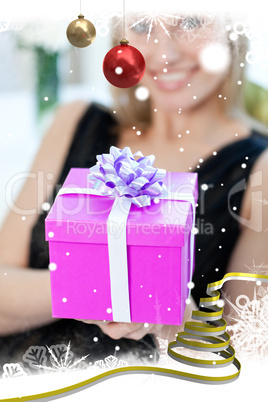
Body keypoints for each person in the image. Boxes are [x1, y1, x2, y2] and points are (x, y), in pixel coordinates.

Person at [0, 13, 267, 368]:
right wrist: (101, 285)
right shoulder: (75, 121)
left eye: (190, 22)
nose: (164, 53)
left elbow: (247, 352)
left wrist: (167, 313)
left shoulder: (258, 167)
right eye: (141, 25)